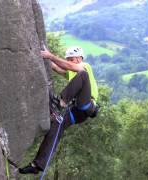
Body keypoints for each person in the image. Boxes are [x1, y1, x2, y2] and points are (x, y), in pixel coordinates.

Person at [19, 46, 99, 174]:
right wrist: (39, 54)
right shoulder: (72, 72)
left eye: (71, 59)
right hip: (76, 112)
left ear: (79, 58)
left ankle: (60, 102)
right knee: (56, 126)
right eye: (68, 59)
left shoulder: (85, 67)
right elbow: (56, 67)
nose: (69, 62)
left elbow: (68, 66)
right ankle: (37, 165)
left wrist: (50, 55)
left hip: (87, 105)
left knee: (82, 75)